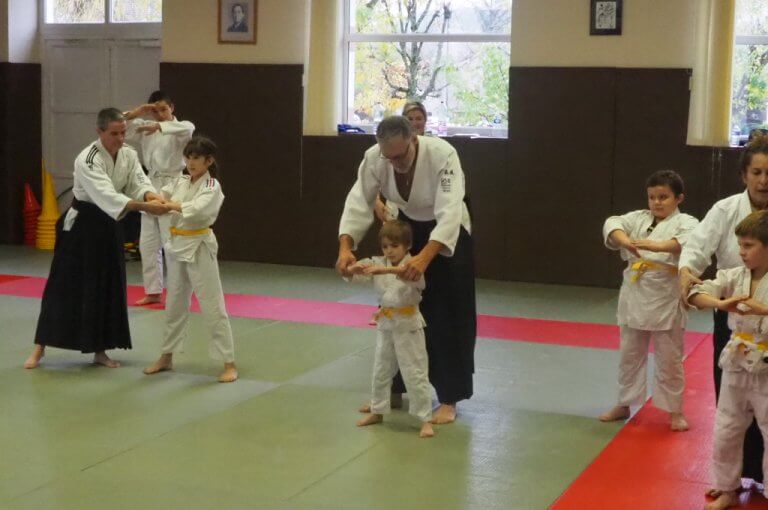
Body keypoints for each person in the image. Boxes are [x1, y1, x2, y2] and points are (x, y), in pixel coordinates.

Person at [337, 115, 475, 425]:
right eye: (389, 157)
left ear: (414, 139)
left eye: (401, 155)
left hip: (448, 233)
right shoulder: (375, 158)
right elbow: (359, 200)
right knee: (397, 305)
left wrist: (424, 258)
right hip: (407, 227)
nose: (395, 163)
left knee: (445, 312)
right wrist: (346, 247)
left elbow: (450, 210)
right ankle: (391, 393)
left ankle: (450, 398)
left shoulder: (442, 154)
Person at [24, 108, 169, 369]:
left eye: (123, 132)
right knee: (63, 285)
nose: (120, 138)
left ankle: (100, 350)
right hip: (82, 225)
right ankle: (40, 347)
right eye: (114, 133)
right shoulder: (87, 158)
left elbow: (138, 181)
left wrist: (149, 195)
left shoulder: (128, 154)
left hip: (110, 224)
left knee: (107, 286)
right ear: (99, 132)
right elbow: (106, 195)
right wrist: (146, 207)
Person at [679, 134, 768, 484]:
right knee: (733, 405)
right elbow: (697, 247)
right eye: (757, 172)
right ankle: (741, 474)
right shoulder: (726, 210)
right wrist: (688, 273)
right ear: (744, 174)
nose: (764, 180)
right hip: (733, 314)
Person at [599, 170, 698, 431]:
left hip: (665, 296)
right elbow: (612, 223)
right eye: (652, 197)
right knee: (629, 355)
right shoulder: (637, 218)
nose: (657, 202)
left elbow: (685, 243)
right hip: (634, 294)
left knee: (669, 358)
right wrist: (626, 242)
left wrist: (655, 246)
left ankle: (674, 410)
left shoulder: (687, 222)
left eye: (664, 197)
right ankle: (624, 403)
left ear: (679, 198)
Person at [686, 210, 768, 510]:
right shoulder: (734, 276)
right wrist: (720, 303)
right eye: (740, 245)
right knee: (726, 427)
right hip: (736, 362)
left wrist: (765, 311)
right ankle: (726, 488)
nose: (741, 252)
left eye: (749, 245)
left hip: (767, 368)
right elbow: (695, 292)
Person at [143, 136, 237, 383]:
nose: (191, 162)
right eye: (188, 157)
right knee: (174, 303)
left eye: (197, 158)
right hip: (176, 246)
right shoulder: (181, 179)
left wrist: (170, 205)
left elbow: (198, 209)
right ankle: (167, 355)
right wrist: (154, 199)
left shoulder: (211, 186)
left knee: (212, 304)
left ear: (209, 161)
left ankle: (229, 362)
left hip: (199, 246)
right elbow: (162, 194)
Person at [347, 220, 434, 438]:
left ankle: (425, 419)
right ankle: (378, 410)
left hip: (409, 325)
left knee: (415, 371)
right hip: (386, 324)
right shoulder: (376, 263)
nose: (389, 251)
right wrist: (352, 269)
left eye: (394, 246)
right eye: (385, 246)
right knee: (381, 369)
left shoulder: (415, 264)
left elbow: (408, 276)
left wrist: (382, 269)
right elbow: (353, 276)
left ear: (407, 245)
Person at [124, 91, 195, 306]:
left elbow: (189, 128)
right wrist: (137, 113)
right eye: (155, 111)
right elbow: (120, 126)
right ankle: (153, 291)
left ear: (172, 108)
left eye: (163, 109)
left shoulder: (181, 127)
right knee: (147, 243)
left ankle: (177, 293)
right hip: (150, 184)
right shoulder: (145, 126)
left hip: (173, 184)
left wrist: (159, 126)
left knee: (170, 242)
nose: (159, 114)